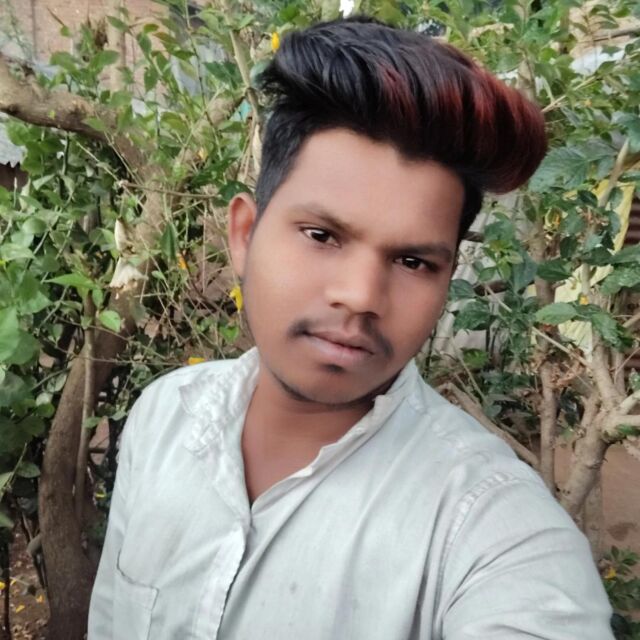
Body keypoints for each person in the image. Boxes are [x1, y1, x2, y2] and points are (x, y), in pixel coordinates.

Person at [88, 16, 614, 640]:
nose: (362, 297)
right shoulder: (163, 417)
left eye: (413, 262)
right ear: (245, 235)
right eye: (322, 235)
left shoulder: (494, 532)